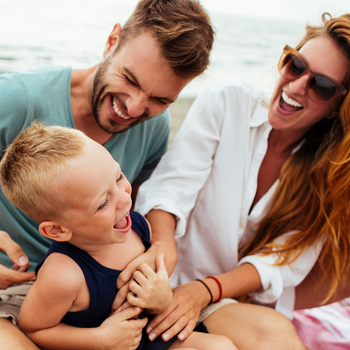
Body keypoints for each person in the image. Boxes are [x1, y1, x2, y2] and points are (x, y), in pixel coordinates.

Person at [0, 0, 214, 348]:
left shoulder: (154, 125)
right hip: (21, 292)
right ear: (112, 40)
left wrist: (162, 249)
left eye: (160, 99)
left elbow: (138, 208)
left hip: (111, 297)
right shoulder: (15, 99)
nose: (133, 108)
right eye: (129, 79)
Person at [133, 12, 350, 349]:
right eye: (295, 65)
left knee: (278, 336)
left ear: (338, 105)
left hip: (219, 297)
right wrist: (163, 250)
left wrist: (203, 291)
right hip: (159, 276)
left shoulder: (330, 171)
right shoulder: (227, 101)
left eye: (321, 86)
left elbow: (281, 261)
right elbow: (171, 189)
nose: (295, 87)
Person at [0, 122, 236, 350]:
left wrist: (162, 300)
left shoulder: (137, 228)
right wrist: (100, 339)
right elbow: (34, 330)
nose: (124, 198)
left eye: (118, 177)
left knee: (222, 346)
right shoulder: (63, 275)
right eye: (103, 203)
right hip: (98, 344)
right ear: (58, 230)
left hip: (145, 334)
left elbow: (150, 295)